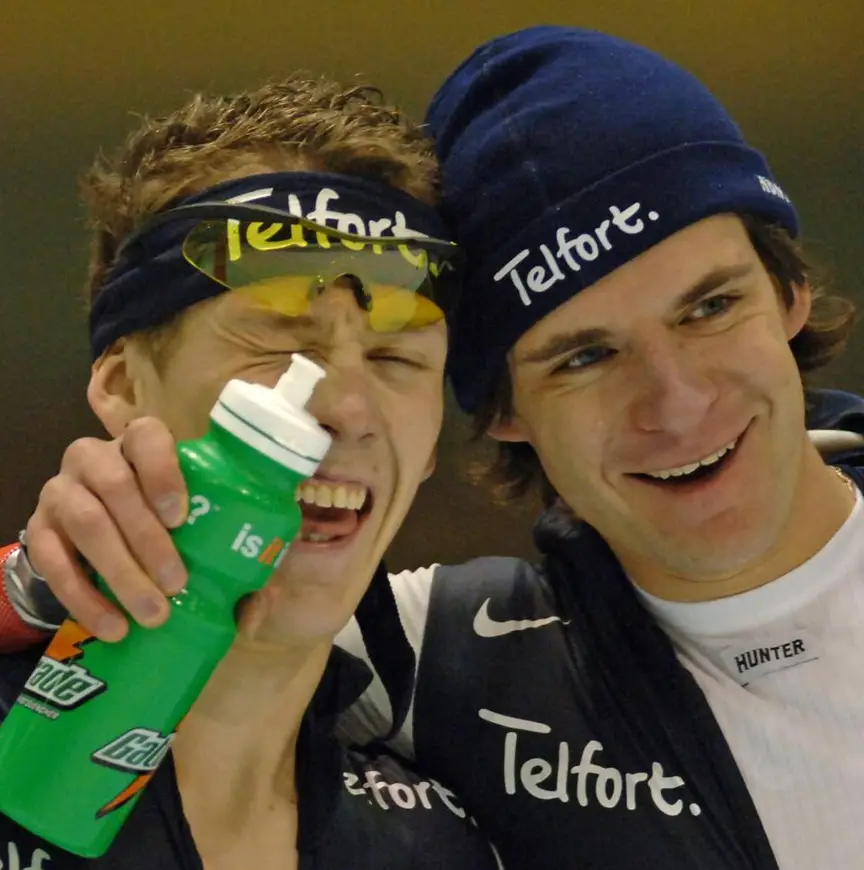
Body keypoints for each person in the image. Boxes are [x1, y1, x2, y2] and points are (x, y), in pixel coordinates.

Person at [4, 25, 864, 870]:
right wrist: (35, 580)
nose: (678, 403)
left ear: (791, 292)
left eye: (711, 307)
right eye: (584, 357)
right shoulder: (454, 661)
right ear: (501, 411)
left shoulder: (433, 816)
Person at [0, 75, 501, 870]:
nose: (346, 406)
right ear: (122, 384)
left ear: (432, 441)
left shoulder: (436, 845)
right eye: (279, 341)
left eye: (395, 359)